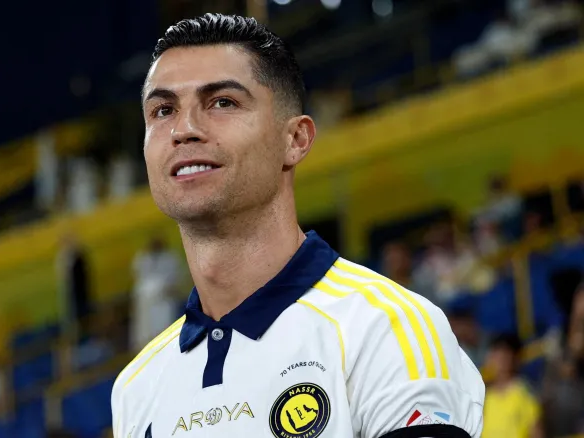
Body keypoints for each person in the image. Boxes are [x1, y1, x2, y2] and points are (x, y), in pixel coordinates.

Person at [111, 14, 484, 438]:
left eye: (222, 102)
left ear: (296, 140)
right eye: (163, 110)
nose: (184, 129)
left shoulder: (388, 328)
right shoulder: (136, 388)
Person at [481, 334, 542, 438]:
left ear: (515, 358)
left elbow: (536, 432)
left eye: (504, 355)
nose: (499, 360)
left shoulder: (524, 394)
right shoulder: (484, 396)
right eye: (495, 355)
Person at [130, 235, 183, 351]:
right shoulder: (142, 258)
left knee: (165, 329)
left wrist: (168, 288)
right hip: (146, 302)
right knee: (146, 331)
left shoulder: (170, 258)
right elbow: (138, 279)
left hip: (165, 299)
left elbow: (176, 279)